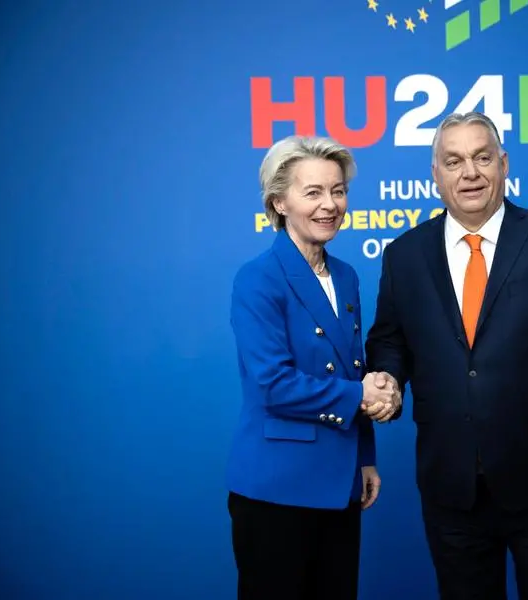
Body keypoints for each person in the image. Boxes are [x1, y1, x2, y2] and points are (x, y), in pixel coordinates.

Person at [364, 112, 528, 600]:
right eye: (454, 161)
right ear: (435, 174)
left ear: (504, 164)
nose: (470, 173)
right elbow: (390, 341)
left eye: (482, 158)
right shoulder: (404, 255)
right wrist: (388, 380)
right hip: (450, 482)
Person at [226, 135, 399, 600]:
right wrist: (361, 395)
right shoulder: (258, 278)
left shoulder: (345, 275)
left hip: (340, 482)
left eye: (338, 191)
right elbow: (272, 384)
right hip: (277, 489)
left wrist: (364, 458)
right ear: (279, 202)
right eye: (313, 192)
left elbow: (350, 369)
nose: (330, 205)